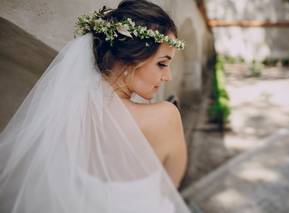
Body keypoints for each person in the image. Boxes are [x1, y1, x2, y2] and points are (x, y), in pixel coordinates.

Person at [0, 0, 191, 212]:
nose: (168, 76)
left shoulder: (66, 109)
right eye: (162, 64)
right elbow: (169, 186)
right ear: (131, 59)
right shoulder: (165, 116)